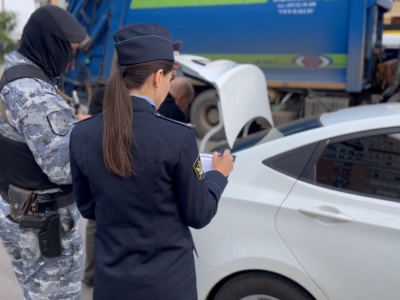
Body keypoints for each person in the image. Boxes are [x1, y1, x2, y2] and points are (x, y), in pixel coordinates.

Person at [69, 23, 234, 300]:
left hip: (111, 283)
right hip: (166, 284)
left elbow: (88, 207)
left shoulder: (83, 134)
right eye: (170, 77)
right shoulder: (177, 137)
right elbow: (199, 213)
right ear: (159, 76)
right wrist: (219, 175)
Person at [0, 5, 86, 300]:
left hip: (18, 209)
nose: (71, 62)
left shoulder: (15, 69)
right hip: (43, 224)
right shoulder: (33, 93)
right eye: (70, 51)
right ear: (52, 45)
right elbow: (63, 167)